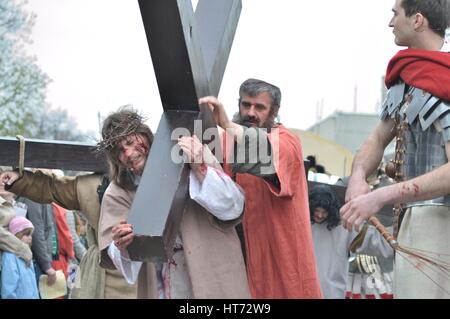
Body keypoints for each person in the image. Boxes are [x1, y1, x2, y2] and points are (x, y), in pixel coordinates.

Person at [341, 0, 450, 298]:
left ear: (417, 20)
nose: (390, 23)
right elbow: (376, 139)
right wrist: (358, 176)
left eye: (395, 14)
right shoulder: (407, 78)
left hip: (442, 222)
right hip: (415, 219)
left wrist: (382, 195)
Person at [97, 106, 250, 299]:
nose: (128, 153)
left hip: (211, 271)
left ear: (145, 135)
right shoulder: (118, 192)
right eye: (120, 150)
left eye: (130, 142)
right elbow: (118, 255)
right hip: (163, 282)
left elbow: (233, 208)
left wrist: (200, 168)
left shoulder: (191, 155)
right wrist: (122, 245)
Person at [199, 78, 322, 298]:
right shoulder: (226, 141)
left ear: (274, 111)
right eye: (246, 105)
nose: (251, 113)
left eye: (259, 107)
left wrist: (226, 125)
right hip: (239, 256)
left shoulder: (287, 141)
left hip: (280, 256)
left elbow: (265, 151)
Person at [0, 170, 137, 299]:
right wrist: (20, 179)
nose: (128, 154)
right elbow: (54, 190)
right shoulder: (91, 187)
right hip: (91, 268)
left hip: (136, 277)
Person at [309, 184, 393, 299]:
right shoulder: (300, 224)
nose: (319, 215)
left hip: (332, 292)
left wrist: (397, 232)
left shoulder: (344, 226)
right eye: (316, 211)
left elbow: (373, 241)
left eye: (324, 212)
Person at [1, 216, 39, 299]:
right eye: (26, 234)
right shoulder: (10, 256)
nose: (30, 237)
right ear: (16, 235)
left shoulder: (28, 254)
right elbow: (8, 289)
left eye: (31, 235)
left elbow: (33, 285)